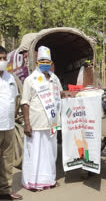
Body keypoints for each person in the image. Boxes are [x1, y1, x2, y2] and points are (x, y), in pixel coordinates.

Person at [21, 46, 63, 190]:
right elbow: (25, 102)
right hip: (36, 122)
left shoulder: (55, 78)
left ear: (51, 62)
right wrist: (27, 124)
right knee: (35, 152)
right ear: (37, 62)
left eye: (47, 61)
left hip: (52, 123)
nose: (45, 63)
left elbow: (60, 96)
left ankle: (49, 180)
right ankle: (32, 182)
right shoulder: (30, 80)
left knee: (50, 153)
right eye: (42, 61)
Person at [0, 46, 23, 200]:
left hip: (7, 126)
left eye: (4, 58)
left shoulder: (12, 79)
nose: (2, 61)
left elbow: (16, 101)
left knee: (7, 160)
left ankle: (5, 190)